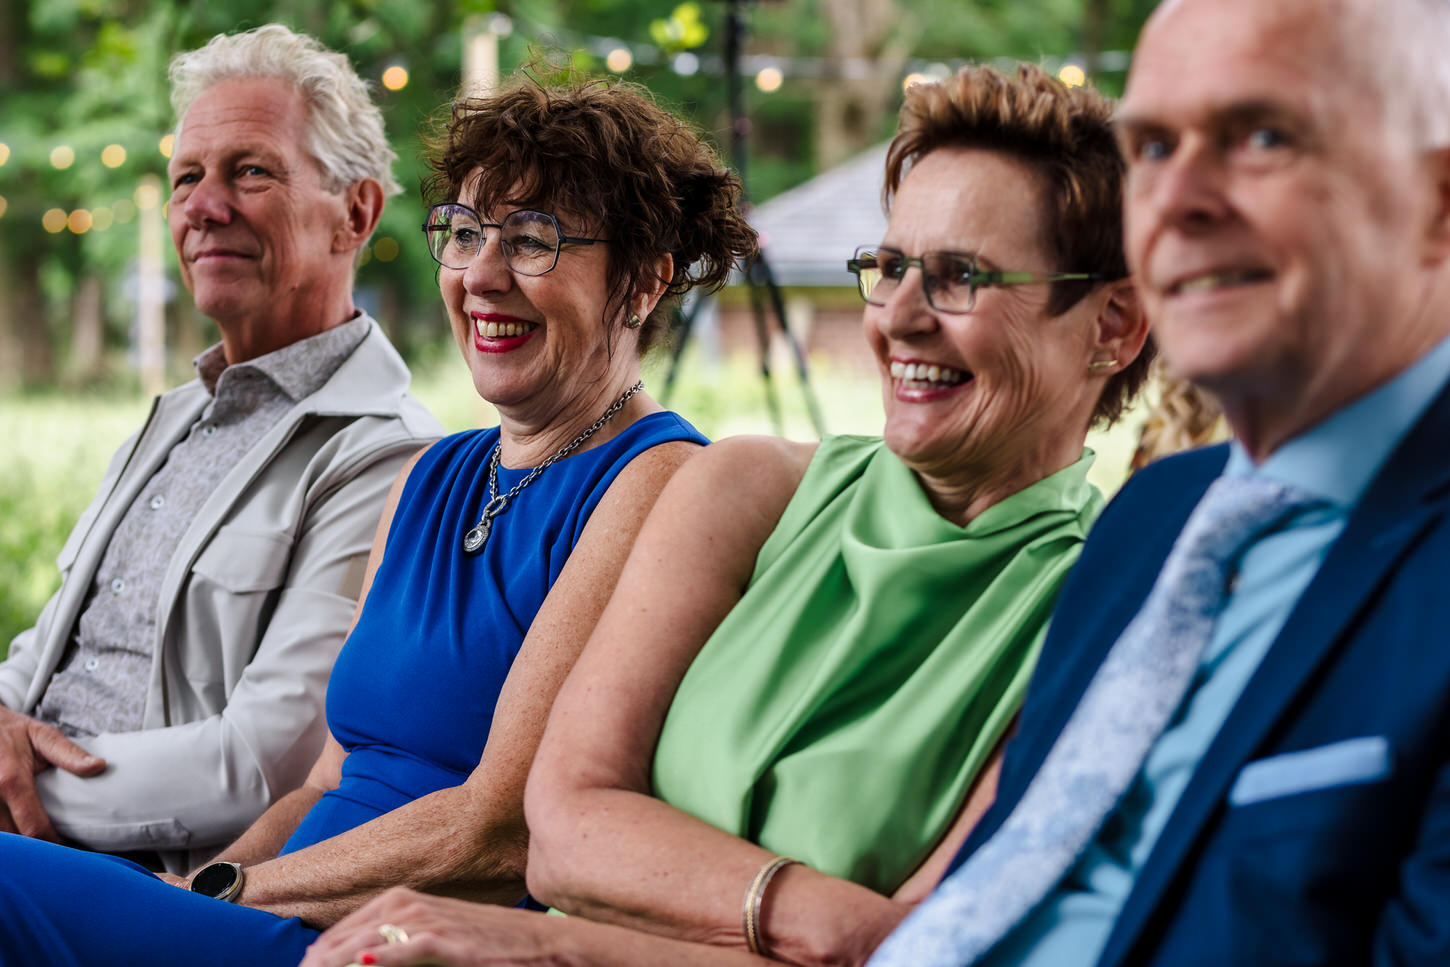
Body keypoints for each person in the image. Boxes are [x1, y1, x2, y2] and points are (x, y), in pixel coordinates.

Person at [301, 63, 1152, 967]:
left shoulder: (1106, 609)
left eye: (960, 278)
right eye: (891, 266)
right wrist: (830, 922)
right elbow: (562, 831)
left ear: (1113, 326)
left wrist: (549, 943)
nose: (897, 318)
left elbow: (924, 957)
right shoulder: (750, 488)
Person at [0, 69, 756, 967]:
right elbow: (327, 776)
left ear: (641, 281)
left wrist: (224, 895)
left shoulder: (655, 479)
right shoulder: (432, 477)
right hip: (274, 910)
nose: (480, 275)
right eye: (465, 233)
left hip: (392, 940)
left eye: (534, 241)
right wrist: (188, 899)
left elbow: (499, 827)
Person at [864, 0, 1450, 965]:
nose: (1178, 199)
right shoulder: (1153, 518)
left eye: (1263, 136)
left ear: (1438, 200)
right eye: (1153, 148)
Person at [0, 24, 442, 873]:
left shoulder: (385, 457)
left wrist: (22, 790)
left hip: (136, 875)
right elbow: (48, 651)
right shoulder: (170, 418)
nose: (204, 206)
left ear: (356, 211)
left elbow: (260, 765)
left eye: (250, 171)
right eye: (186, 178)